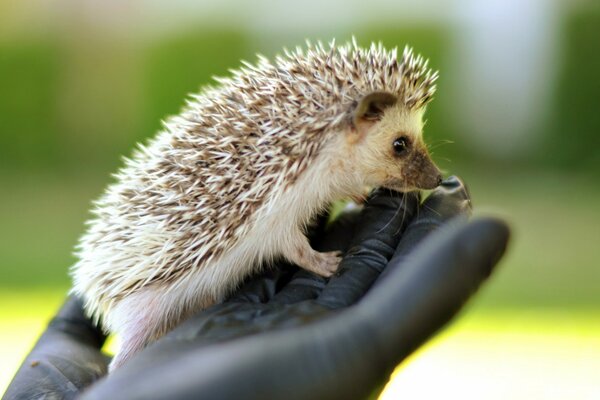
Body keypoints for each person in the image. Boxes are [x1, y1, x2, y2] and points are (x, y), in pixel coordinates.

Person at [4, 176, 510, 400]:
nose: (420, 169)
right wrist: (310, 257)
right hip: (159, 297)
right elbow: (274, 225)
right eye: (400, 149)